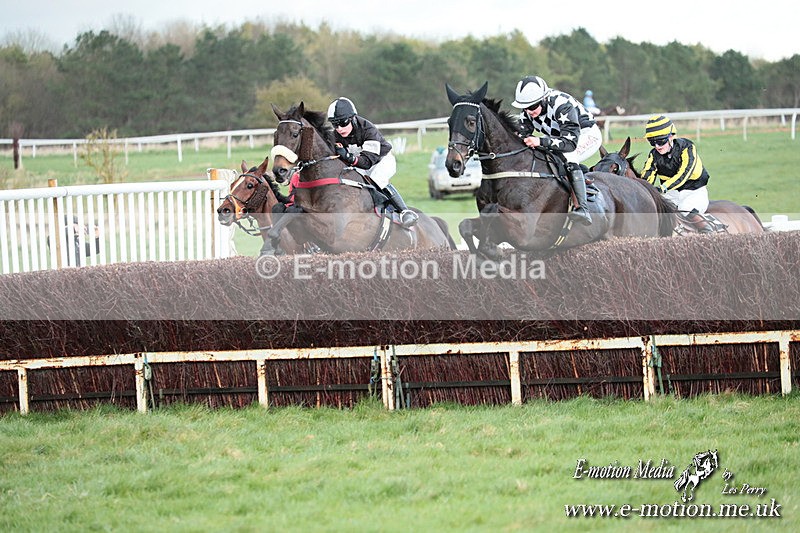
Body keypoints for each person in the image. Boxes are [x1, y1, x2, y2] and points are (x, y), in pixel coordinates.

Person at [512, 75, 603, 226]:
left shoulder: (562, 105)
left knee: (569, 156)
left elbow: (569, 144)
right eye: (525, 107)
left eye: (533, 106)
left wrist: (540, 141)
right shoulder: (528, 109)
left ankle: (582, 208)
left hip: (585, 135)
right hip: (558, 138)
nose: (528, 111)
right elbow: (520, 135)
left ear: (543, 99)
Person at [326, 97, 418, 228]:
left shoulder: (368, 130)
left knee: (376, 179)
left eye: (343, 122)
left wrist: (347, 156)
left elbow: (367, 162)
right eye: (335, 124)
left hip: (381, 161)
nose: (340, 128)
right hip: (359, 164)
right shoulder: (334, 135)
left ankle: (404, 212)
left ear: (352, 118)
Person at [641, 115, 712, 233]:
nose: (657, 146)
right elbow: (647, 175)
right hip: (672, 194)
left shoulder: (687, 147)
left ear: (671, 136)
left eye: (660, 141)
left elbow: (684, 174)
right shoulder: (653, 155)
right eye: (652, 142)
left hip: (694, 191)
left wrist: (663, 188)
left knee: (685, 208)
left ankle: (708, 232)